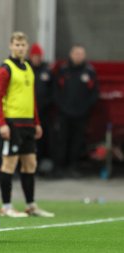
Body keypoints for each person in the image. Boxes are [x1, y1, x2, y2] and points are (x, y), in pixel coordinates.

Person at [0, 31, 54, 218]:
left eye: (22, 45)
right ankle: (6, 206)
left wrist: (37, 122)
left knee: (30, 164)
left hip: (28, 123)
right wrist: (2, 124)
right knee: (9, 164)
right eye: (16, 45)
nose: (20, 48)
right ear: (11, 46)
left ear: (26, 47)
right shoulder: (6, 68)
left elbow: (31, 98)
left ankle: (30, 204)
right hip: (13, 123)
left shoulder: (28, 67)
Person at [54, 44, 99, 177]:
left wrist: (84, 108)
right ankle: (60, 168)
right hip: (64, 113)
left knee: (77, 141)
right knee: (62, 140)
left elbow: (94, 93)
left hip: (81, 114)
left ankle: (73, 167)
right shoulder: (63, 70)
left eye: (81, 54)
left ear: (84, 56)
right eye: (76, 53)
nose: (78, 56)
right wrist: (62, 107)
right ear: (71, 55)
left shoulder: (89, 72)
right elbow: (56, 91)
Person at [28, 43, 54, 175]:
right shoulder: (25, 69)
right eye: (35, 56)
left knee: (42, 140)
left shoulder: (46, 71)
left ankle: (39, 166)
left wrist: (46, 104)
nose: (37, 58)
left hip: (43, 113)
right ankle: (28, 167)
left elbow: (52, 90)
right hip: (27, 113)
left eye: (39, 56)